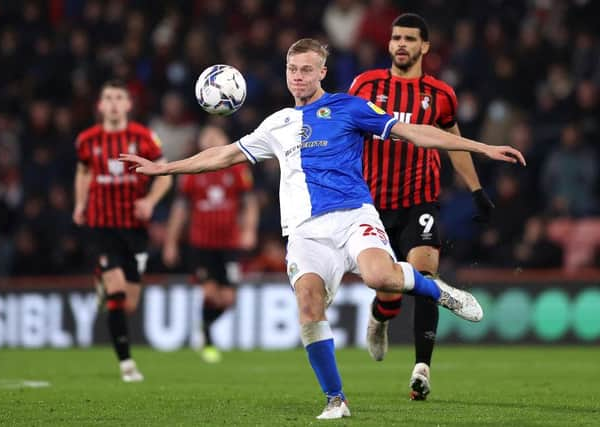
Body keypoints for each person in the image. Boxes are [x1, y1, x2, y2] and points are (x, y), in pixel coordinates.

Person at [120, 39, 524, 419]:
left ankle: (440, 291)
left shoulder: (350, 108)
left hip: (353, 217)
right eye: (292, 69)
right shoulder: (277, 123)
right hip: (305, 233)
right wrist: (165, 167)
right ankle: (336, 399)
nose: (298, 76)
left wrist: (481, 148)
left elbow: (413, 132)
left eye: (306, 69)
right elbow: (224, 155)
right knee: (309, 305)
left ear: (322, 72)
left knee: (379, 276)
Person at [348, 13, 495, 400]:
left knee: (425, 275)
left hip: (420, 198)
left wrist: (476, 189)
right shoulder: (366, 85)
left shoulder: (441, 95)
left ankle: (422, 369)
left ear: (424, 47)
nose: (400, 44)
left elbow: (453, 142)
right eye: (396, 37)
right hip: (372, 203)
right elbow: (346, 132)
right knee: (388, 289)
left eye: (409, 39)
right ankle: (380, 318)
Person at [72, 80, 172, 382]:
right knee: (116, 293)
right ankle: (127, 364)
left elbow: (164, 174)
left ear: (128, 105)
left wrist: (151, 201)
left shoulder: (143, 138)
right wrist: (80, 204)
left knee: (128, 303)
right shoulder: (87, 140)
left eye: (119, 98)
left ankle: (104, 284)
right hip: (102, 226)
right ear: (100, 106)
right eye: (108, 98)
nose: (113, 103)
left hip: (135, 229)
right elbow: (84, 172)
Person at [162, 124, 258, 363]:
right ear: (201, 142)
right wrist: (170, 242)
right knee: (211, 293)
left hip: (229, 244)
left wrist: (249, 230)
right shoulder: (192, 172)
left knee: (228, 298)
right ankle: (206, 336)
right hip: (201, 245)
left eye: (217, 135)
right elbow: (180, 210)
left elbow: (250, 203)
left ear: (225, 140)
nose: (212, 139)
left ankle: (204, 327)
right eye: (208, 136)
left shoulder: (236, 169)